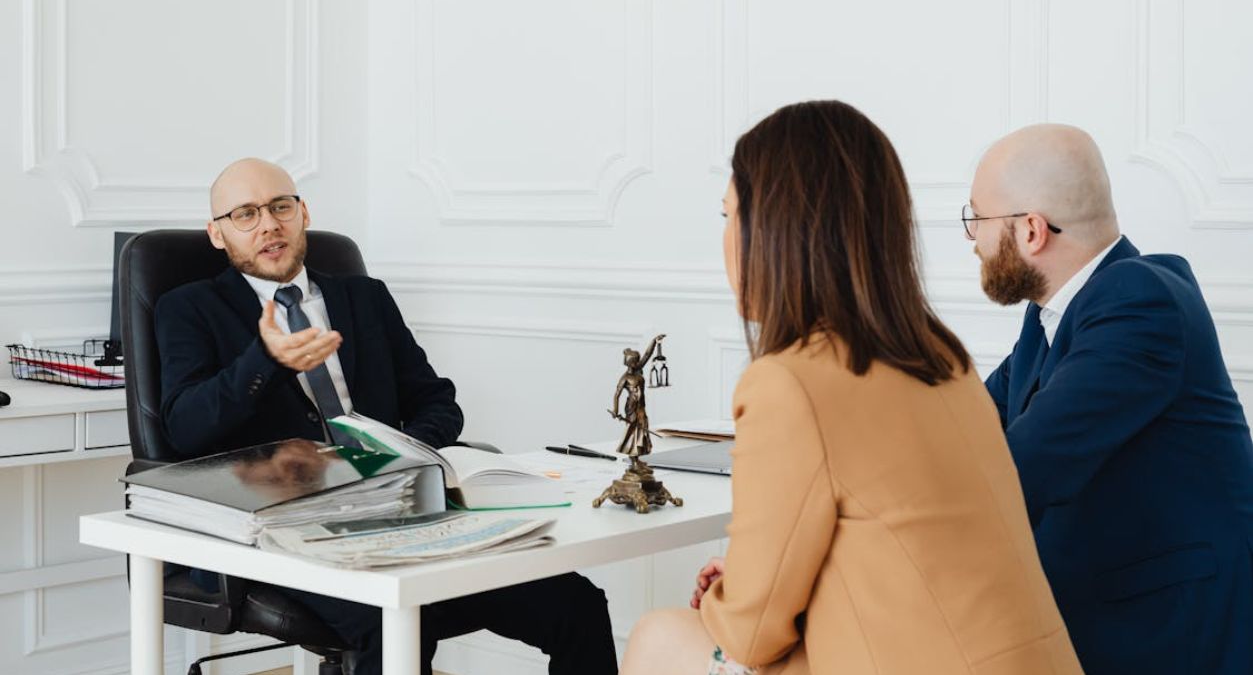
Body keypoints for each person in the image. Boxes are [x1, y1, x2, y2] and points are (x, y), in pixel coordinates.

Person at [620, 101, 1082, 675]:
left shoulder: (789, 383)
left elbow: (752, 632)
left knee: (658, 637)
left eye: (728, 216)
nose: (726, 241)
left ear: (775, 230)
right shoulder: (941, 358)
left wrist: (735, 594)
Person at [155, 158, 618, 675]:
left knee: (575, 604)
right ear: (217, 234)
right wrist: (267, 361)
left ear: (303, 212)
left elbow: (438, 401)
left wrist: (398, 456)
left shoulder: (364, 296)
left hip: (396, 509)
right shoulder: (188, 307)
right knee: (394, 623)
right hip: (286, 528)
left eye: (280, 206)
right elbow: (185, 427)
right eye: (245, 214)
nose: (269, 224)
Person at [968, 124, 1253, 674]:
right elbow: (968, 425)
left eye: (976, 219)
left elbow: (1022, 466)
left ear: (1031, 231)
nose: (972, 240)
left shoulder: (1141, 299)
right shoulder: (1049, 317)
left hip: (1171, 634)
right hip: (1110, 618)